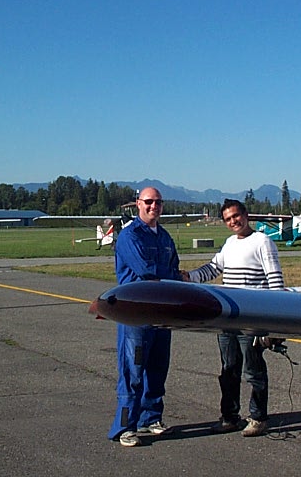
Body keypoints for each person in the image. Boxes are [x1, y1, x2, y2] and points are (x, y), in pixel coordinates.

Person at [182, 199, 285, 437]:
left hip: (252, 318)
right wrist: (188, 277)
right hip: (228, 318)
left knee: (253, 370)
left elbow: (275, 281)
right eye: (228, 219)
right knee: (229, 369)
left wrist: (277, 322)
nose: (233, 222)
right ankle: (229, 416)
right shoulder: (229, 244)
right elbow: (213, 269)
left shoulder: (263, 242)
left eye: (236, 216)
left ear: (246, 215)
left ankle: (258, 417)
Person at [109, 187, 183, 447]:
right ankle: (124, 427)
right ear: (138, 204)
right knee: (133, 371)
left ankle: (151, 418)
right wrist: (176, 276)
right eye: (149, 202)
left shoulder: (164, 236)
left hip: (162, 313)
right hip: (136, 313)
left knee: (158, 367)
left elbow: (173, 265)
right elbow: (146, 269)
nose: (154, 206)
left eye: (158, 202)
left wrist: (175, 275)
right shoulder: (129, 236)